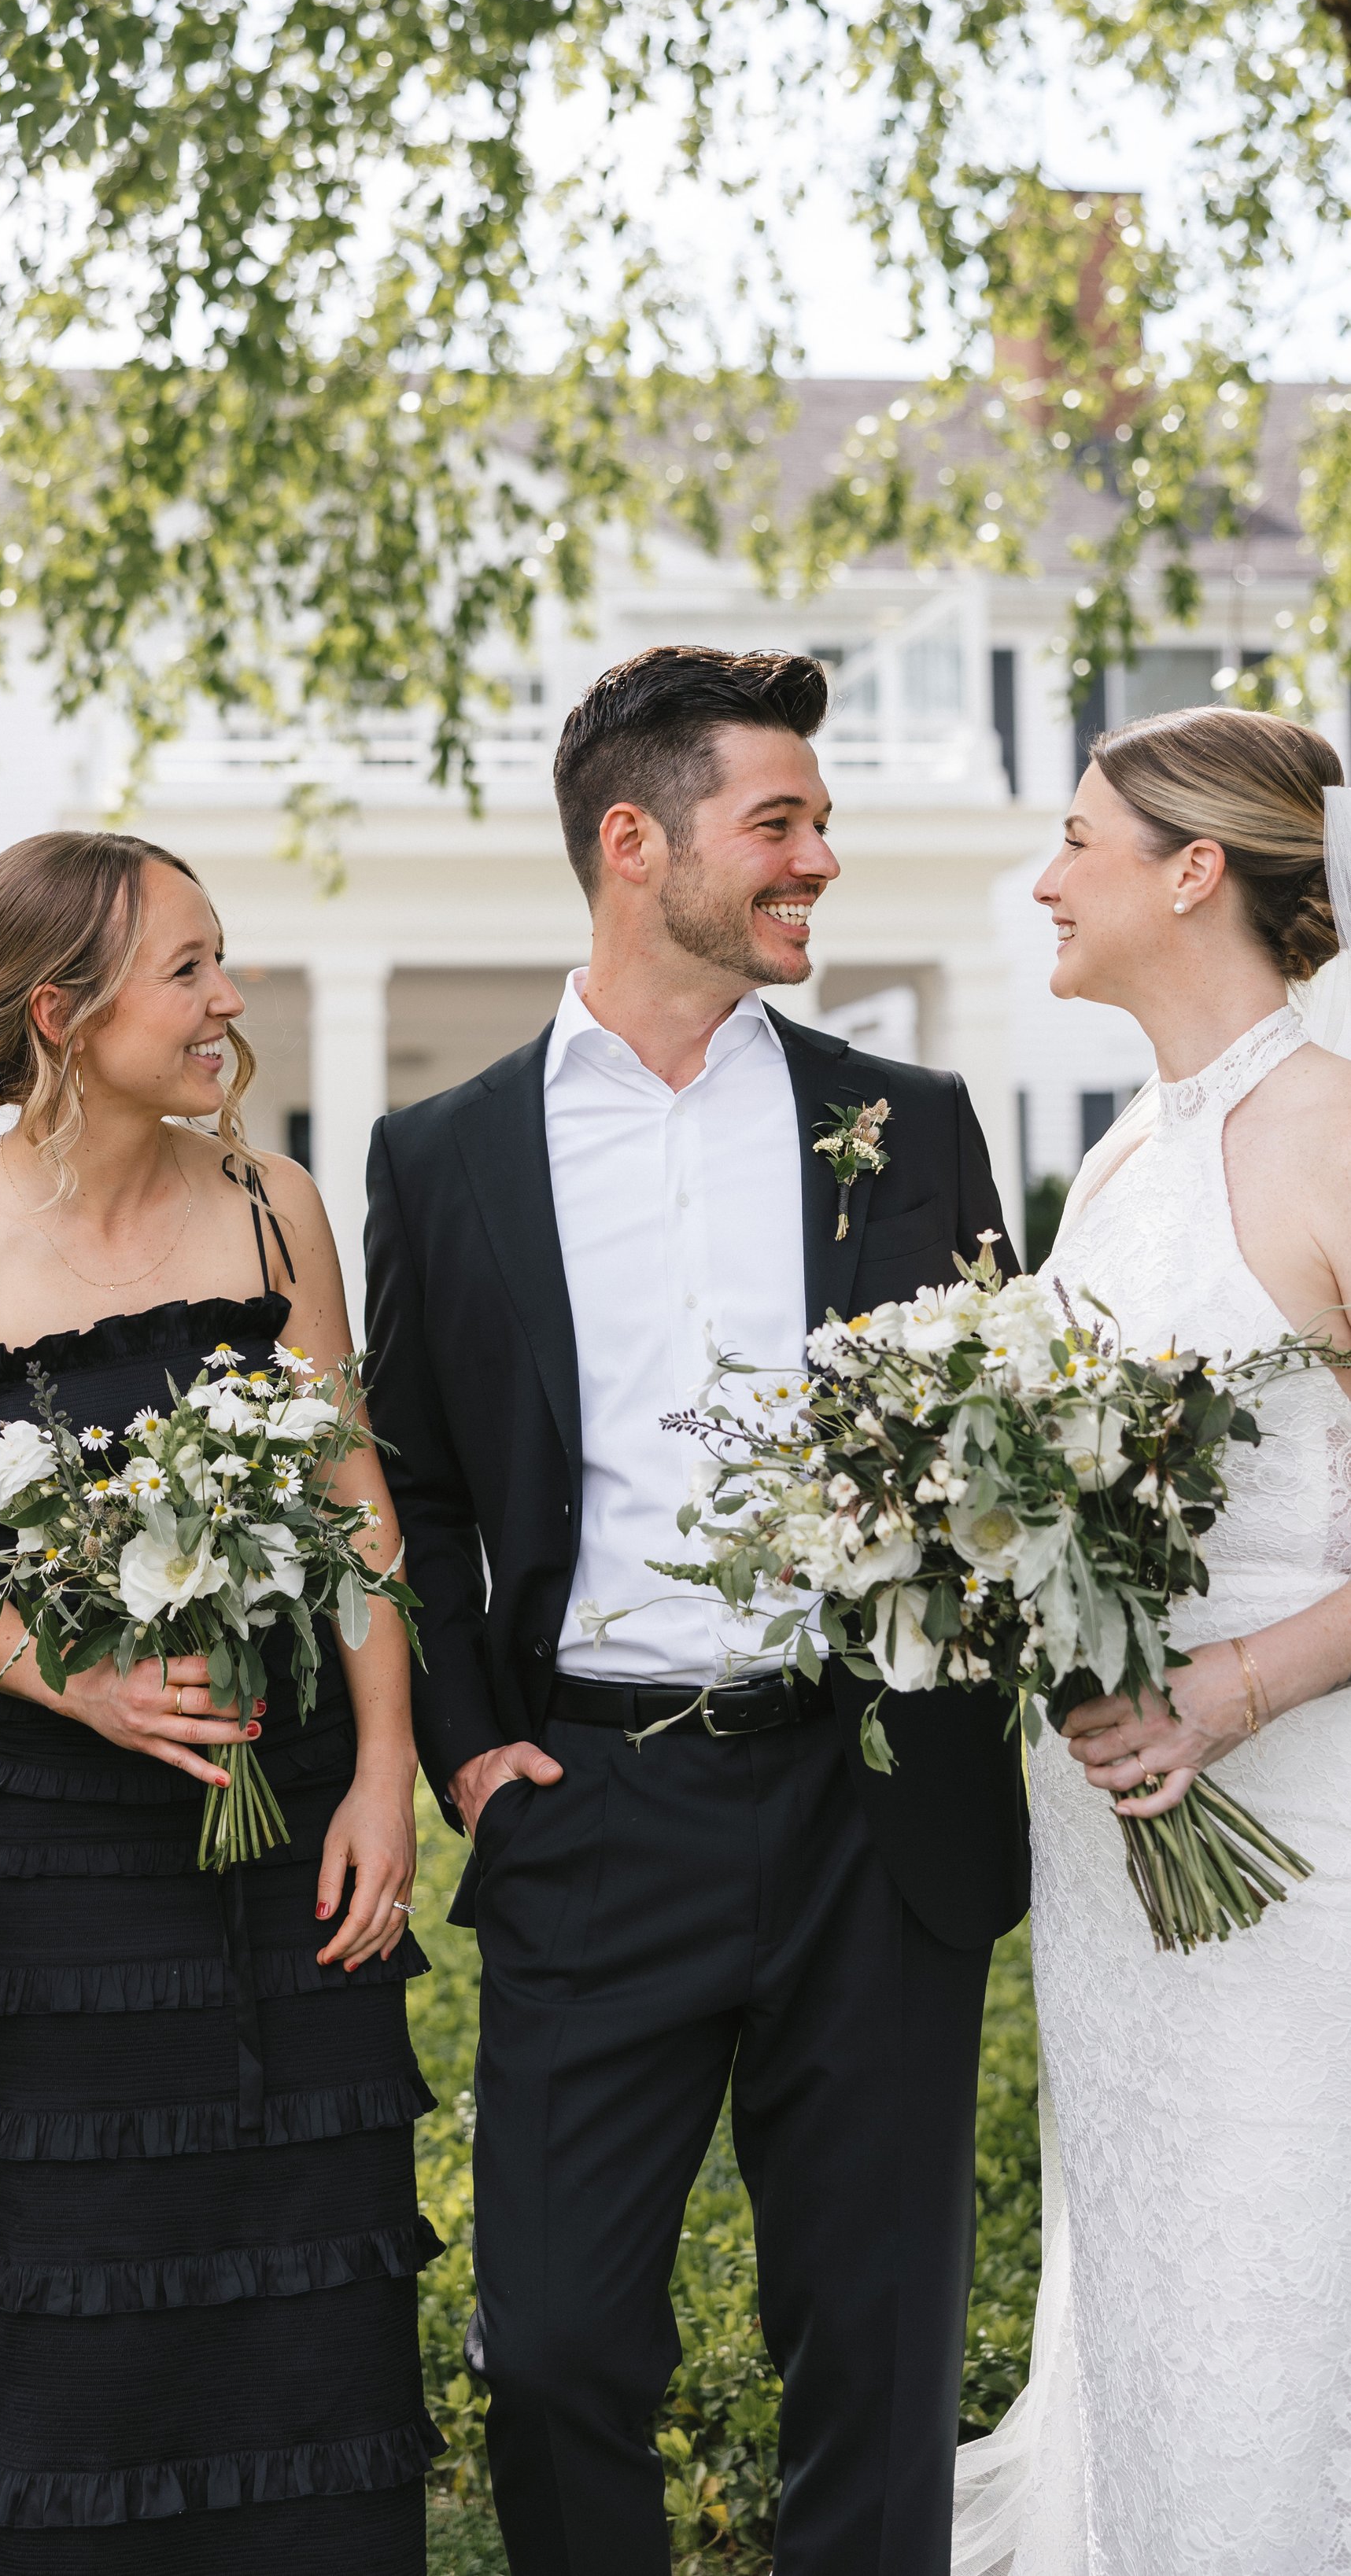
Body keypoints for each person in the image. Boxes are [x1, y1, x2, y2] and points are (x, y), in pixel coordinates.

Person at [365, 644, 1031, 2576]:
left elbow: (992, 1431)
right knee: (560, 2339)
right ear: (632, 840)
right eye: (781, 822)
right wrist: (482, 1744)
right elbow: (409, 1473)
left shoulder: (904, 1119)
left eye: (818, 821)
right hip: (592, 1802)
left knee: (875, 2341)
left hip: (864, 1799)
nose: (818, 857)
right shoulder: (445, 1155)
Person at [0, 830, 440, 2574]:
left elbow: (355, 1507)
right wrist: (73, 1678)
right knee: (92, 2265)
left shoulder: (273, 1204)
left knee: (321, 2251)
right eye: (186, 969)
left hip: (299, 1811)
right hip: (72, 1855)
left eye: (217, 959)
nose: (226, 999)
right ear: (59, 1009)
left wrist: (383, 1769)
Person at [952, 708, 1351, 2576]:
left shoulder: (1330, 1131)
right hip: (1110, 1852)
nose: (1043, 878)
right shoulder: (1115, 1161)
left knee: (1277, 2263)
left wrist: (1229, 1689)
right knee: (1144, 2269)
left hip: (1293, 1844)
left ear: (1193, 871)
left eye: (1075, 841)